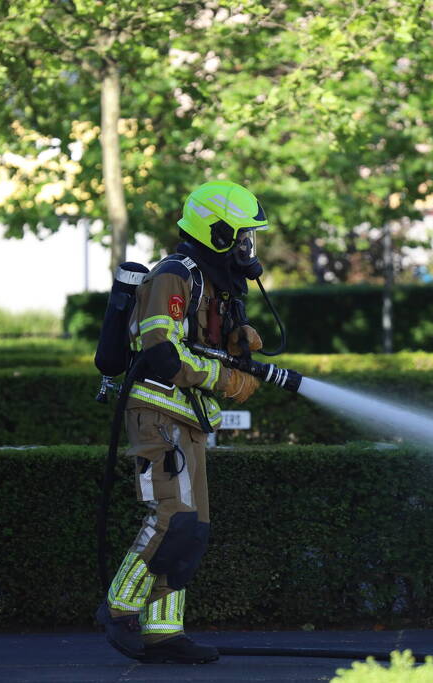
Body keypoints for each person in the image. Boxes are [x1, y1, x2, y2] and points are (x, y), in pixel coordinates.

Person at [96, 180, 269, 664]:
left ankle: (163, 631)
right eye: (241, 238)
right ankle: (119, 606)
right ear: (215, 233)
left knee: (194, 528)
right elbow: (160, 351)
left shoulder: (213, 284)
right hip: (157, 411)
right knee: (170, 517)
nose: (247, 249)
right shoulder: (175, 275)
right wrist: (225, 379)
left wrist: (235, 340)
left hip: (188, 418)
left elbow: (199, 342)